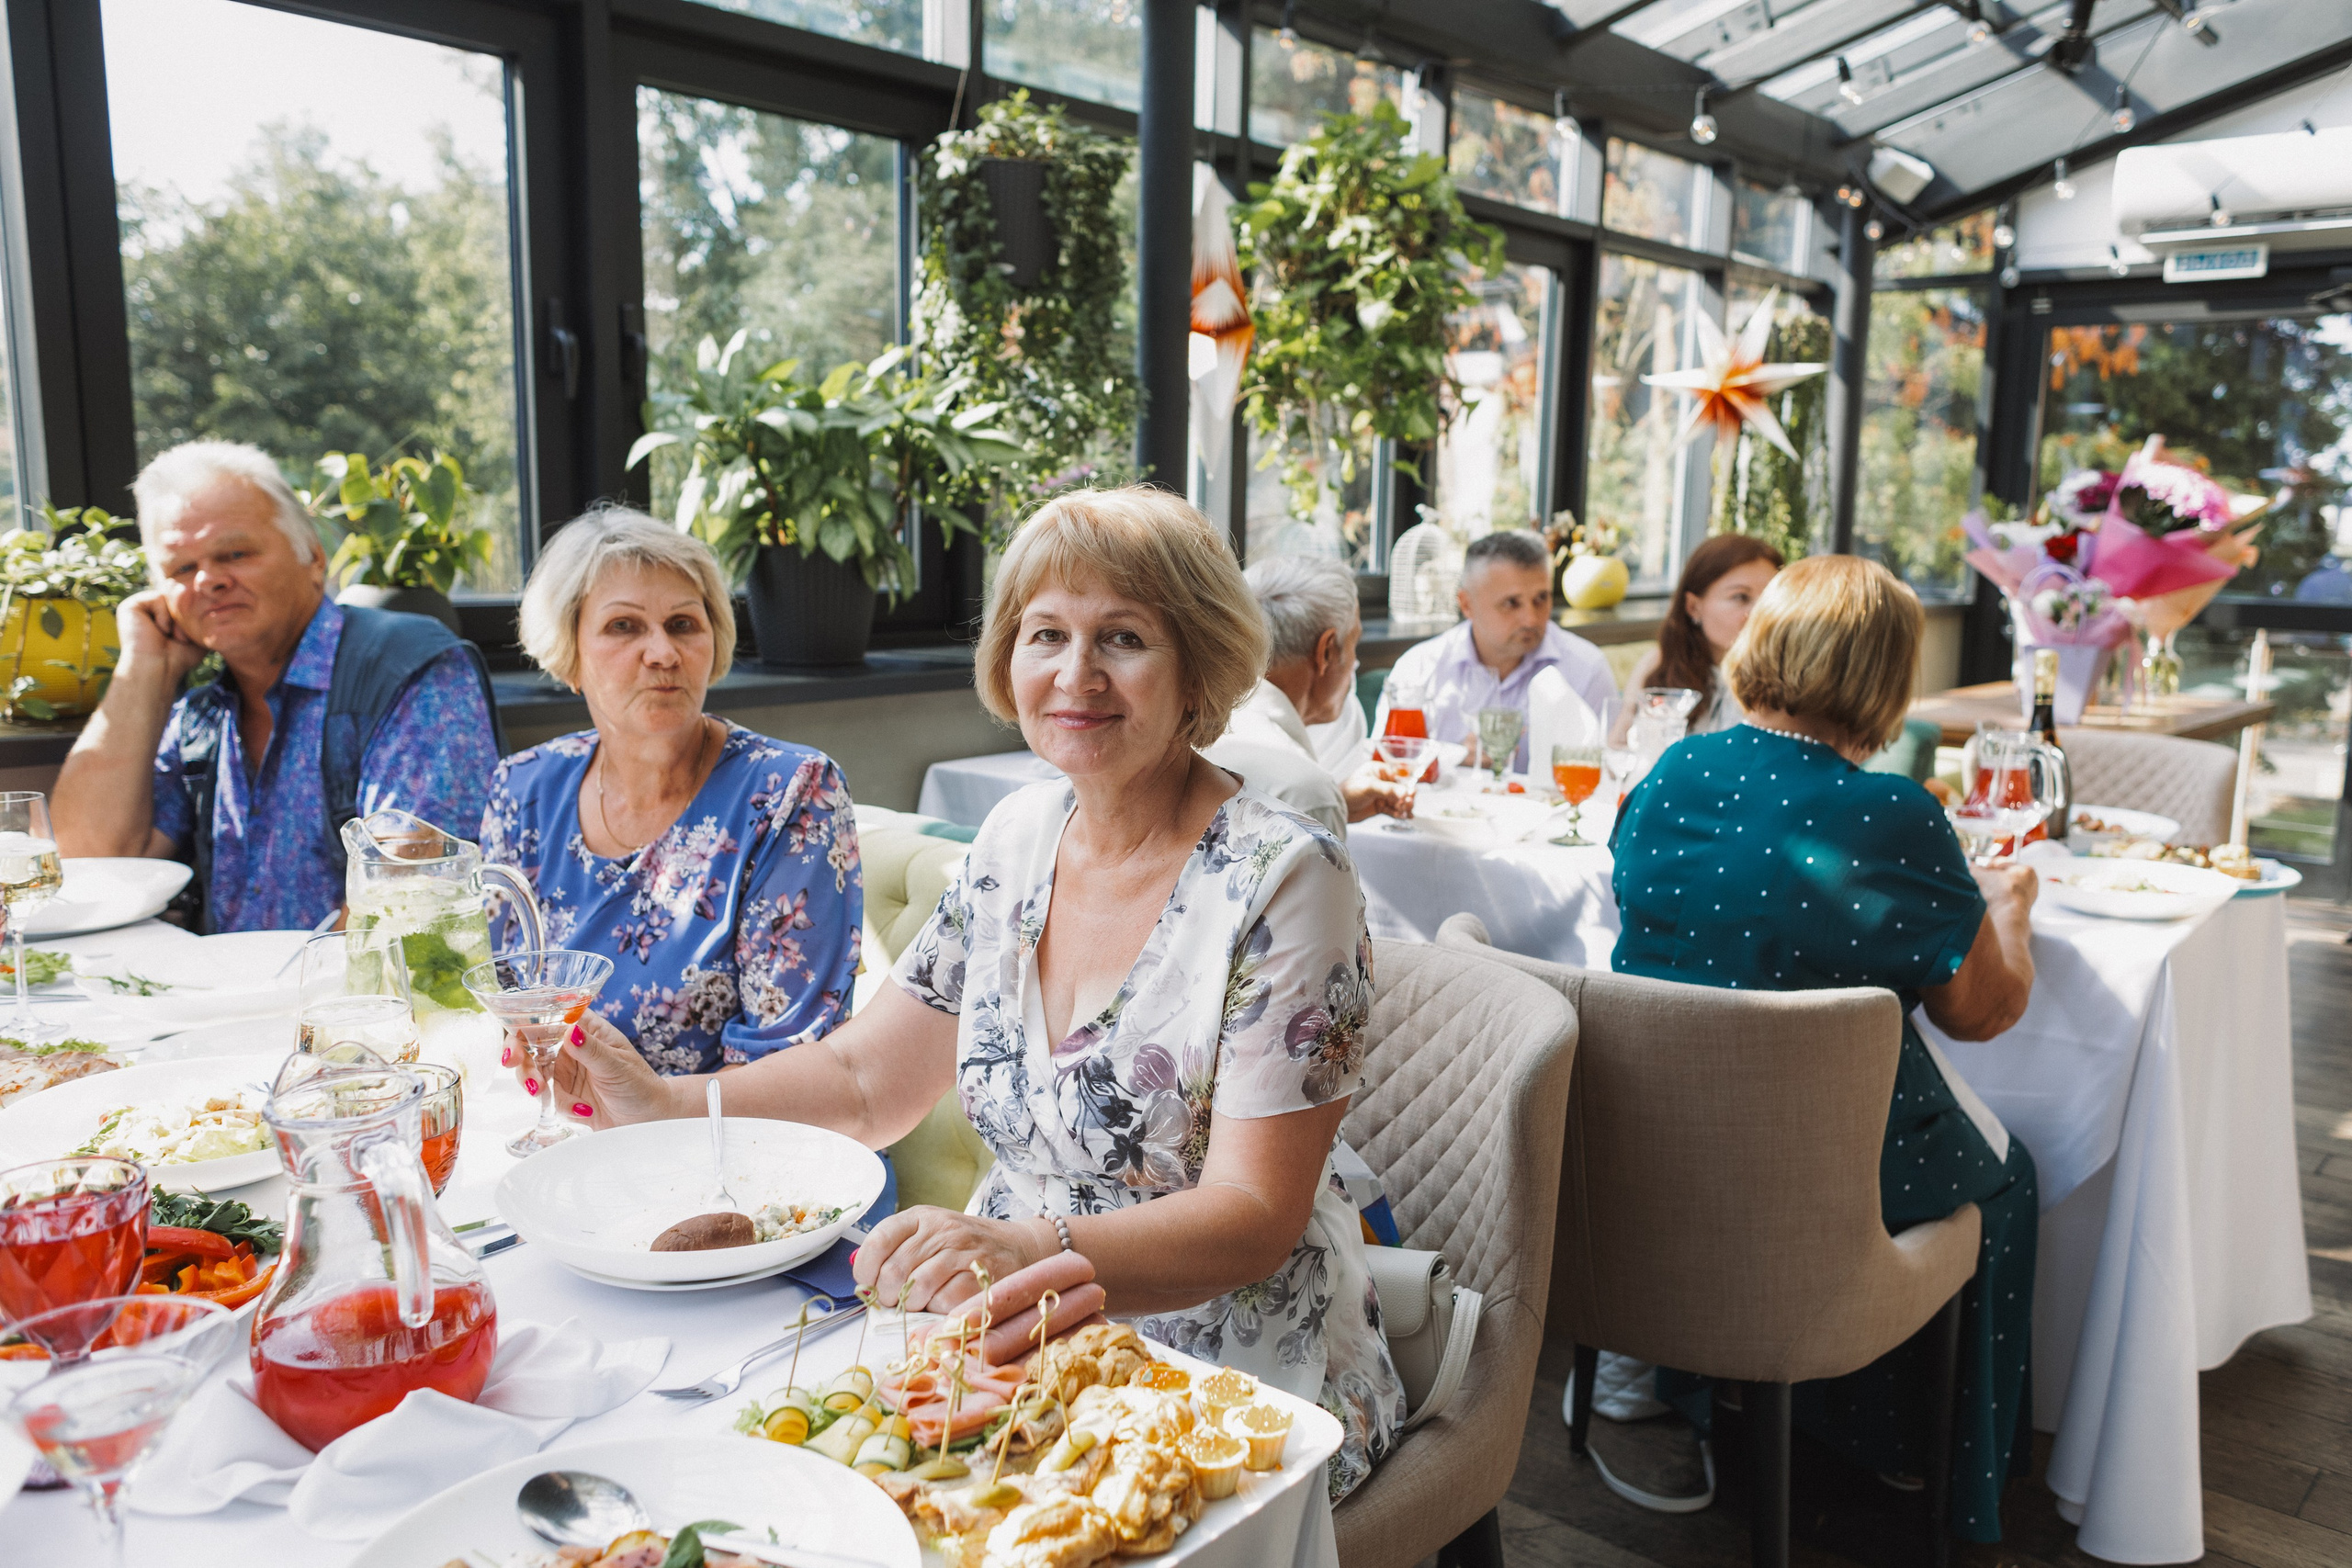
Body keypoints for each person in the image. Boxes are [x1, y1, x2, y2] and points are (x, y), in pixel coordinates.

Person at [526, 487, 1406, 1499]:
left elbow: (1252, 1215)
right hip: (998, 1336)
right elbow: (866, 1080)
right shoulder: (1015, 842)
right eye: (1045, 635)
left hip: (1226, 1372)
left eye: (1122, 637)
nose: (1076, 674)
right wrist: (669, 1106)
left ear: (1198, 663)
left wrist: (1024, 1248)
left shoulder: (1286, 877)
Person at [1609, 555, 2040, 1543]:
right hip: (1820, 1167)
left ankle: (1719, 1389)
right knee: (2010, 1179)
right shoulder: (1894, 813)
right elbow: (1980, 1011)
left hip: (1658, 1150)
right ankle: (1918, 1461)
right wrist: (2009, 910)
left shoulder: (1670, 769)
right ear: (1885, 679)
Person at [52, 440, 501, 932]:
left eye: (235, 553)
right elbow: (87, 869)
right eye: (182, 568)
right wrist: (142, 669)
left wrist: (278, 1002)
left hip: (358, 1005)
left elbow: (409, 898)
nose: (208, 580)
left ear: (313, 556)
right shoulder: (200, 718)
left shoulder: (410, 668)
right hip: (222, 999)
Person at [479, 508, 860, 1073]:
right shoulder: (524, 788)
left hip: (742, 1148)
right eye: (623, 626)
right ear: (569, 653)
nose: (662, 652)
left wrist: (639, 1124)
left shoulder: (792, 794)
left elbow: (788, 1065)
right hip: (563, 1139)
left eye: (682, 624)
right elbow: (493, 1008)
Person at [1372, 528, 1617, 771]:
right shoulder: (1419, 669)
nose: (1531, 619)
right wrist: (1447, 758)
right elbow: (1381, 769)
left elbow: (1608, 775)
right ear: (1466, 604)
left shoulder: (1587, 670)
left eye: (1541, 599)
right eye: (1511, 603)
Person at [1208, 554, 1409, 834]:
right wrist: (1321, 809)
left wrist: (1335, 805)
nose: (1355, 663)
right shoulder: (1304, 789)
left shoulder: (1191, 728)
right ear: (1326, 651)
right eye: (1355, 643)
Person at [1614, 534, 1782, 741]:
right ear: (1693, 607)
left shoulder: (1787, 677)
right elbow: (1619, 748)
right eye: (1740, 597)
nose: (1759, 612)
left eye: (1769, 599)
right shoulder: (1659, 664)